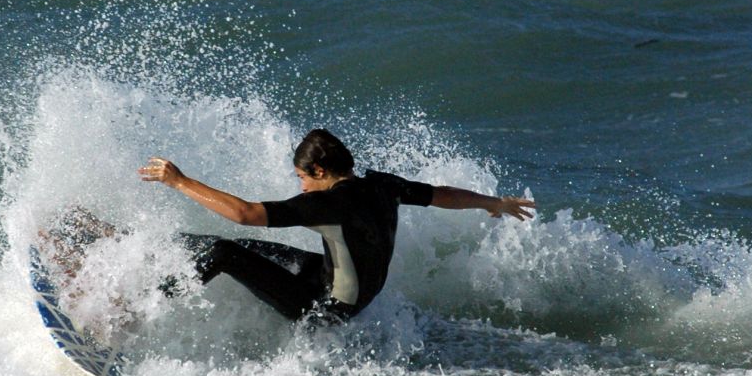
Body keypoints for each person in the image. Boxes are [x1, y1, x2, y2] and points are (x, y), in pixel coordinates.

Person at [139, 128, 535, 325]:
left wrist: (180, 182)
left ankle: (136, 312)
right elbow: (441, 194)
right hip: (344, 287)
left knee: (224, 254)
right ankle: (147, 245)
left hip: (327, 310)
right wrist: (493, 203)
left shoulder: (326, 203)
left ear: (321, 171)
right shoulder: (384, 185)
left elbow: (246, 211)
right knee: (240, 246)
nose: (301, 185)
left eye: (302, 177)